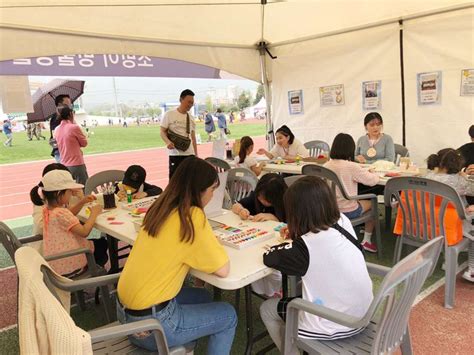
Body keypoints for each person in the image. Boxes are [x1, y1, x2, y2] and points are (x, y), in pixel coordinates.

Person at [116, 157, 237, 354]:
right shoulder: (192, 216)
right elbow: (223, 270)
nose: (212, 195)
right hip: (152, 327)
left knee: (204, 296)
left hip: (125, 314)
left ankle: (191, 340)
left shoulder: (160, 207)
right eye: (212, 189)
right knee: (228, 315)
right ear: (200, 190)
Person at [259, 176, 373, 354]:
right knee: (303, 286)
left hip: (333, 326)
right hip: (363, 314)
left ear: (297, 212)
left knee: (267, 309)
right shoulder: (342, 220)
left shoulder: (305, 246)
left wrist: (295, 237)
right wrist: (297, 233)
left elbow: (270, 257)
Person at [39, 169, 105, 276]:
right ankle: (94, 275)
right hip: (70, 265)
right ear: (58, 193)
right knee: (102, 244)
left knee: (98, 244)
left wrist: (82, 201)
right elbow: (84, 232)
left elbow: (68, 215)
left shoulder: (48, 210)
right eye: (69, 191)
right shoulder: (61, 213)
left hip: (57, 262)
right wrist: (94, 214)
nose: (71, 194)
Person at [324, 133, 380, 253]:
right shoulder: (351, 166)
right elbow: (372, 181)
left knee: (357, 200)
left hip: (329, 210)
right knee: (373, 203)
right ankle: (367, 240)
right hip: (348, 210)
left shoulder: (326, 165)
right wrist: (374, 173)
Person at [424, 148, 474, 282]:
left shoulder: (426, 177)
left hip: (427, 223)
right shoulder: (458, 181)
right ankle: (472, 269)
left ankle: (443, 259)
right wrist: (464, 176)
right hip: (451, 225)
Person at [160, 89, 198, 178]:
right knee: (174, 182)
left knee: (189, 182)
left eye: (192, 103)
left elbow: (193, 138)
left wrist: (196, 155)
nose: (190, 105)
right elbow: (162, 131)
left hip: (190, 155)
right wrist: (167, 142)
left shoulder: (191, 118)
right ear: (181, 100)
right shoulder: (169, 114)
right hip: (175, 155)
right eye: (188, 102)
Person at [54, 106, 89, 185]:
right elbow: (84, 143)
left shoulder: (56, 129)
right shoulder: (74, 127)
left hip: (64, 165)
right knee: (83, 189)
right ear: (70, 114)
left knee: (71, 191)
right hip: (77, 164)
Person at [50, 94, 72, 163]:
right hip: (61, 152)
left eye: (70, 104)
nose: (69, 106)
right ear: (60, 104)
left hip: (67, 151)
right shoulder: (56, 118)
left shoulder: (66, 116)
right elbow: (54, 137)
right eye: (67, 104)